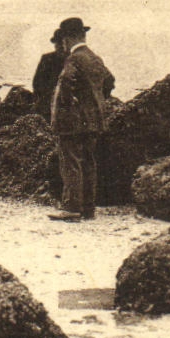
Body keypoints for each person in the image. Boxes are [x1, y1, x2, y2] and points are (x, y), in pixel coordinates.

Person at [48, 17, 115, 222]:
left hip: (73, 122)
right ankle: (88, 209)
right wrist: (94, 102)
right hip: (94, 121)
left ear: (68, 38)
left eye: (63, 39)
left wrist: (69, 106)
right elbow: (109, 81)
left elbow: (67, 82)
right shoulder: (95, 58)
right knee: (88, 163)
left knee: (71, 163)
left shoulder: (74, 58)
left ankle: (71, 208)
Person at [31, 32, 67, 122]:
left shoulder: (72, 59)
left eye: (62, 43)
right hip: (47, 103)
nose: (60, 46)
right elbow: (37, 83)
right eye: (57, 43)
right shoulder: (47, 59)